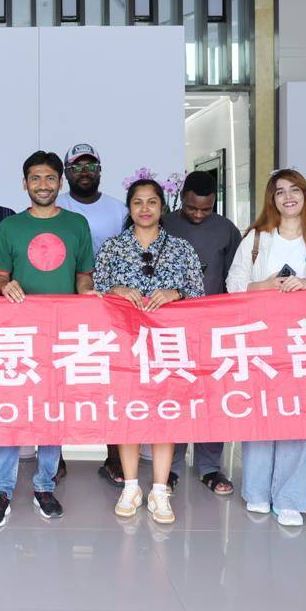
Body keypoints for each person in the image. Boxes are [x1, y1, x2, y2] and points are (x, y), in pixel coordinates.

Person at [0, 150, 95, 528]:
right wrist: (5, 284)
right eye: (35, 178)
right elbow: (0, 275)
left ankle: (44, 485)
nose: (43, 185)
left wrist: (87, 295)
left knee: (52, 412)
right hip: (18, 334)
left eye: (49, 178)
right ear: (24, 183)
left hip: (62, 333)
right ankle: (1, 489)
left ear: (60, 182)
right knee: (11, 411)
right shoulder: (11, 227)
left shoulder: (77, 224)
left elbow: (83, 275)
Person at [225, 169, 306, 528]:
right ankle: (257, 491)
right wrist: (265, 285)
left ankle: (290, 497)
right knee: (260, 412)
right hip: (260, 339)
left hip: (304, 342)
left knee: (298, 416)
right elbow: (234, 283)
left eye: (294, 190)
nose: (288, 197)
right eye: (280, 192)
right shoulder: (257, 238)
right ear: (271, 199)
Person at [94, 179, 204, 524]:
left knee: (164, 413)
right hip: (124, 344)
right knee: (128, 412)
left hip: (168, 345)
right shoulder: (112, 247)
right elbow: (95, 291)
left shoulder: (181, 248)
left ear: (162, 207)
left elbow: (199, 295)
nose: (145, 209)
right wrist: (115, 289)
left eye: (152, 202)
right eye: (138, 202)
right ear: (129, 208)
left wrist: (176, 293)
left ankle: (159, 490)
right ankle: (131, 486)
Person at [54, 142, 129, 486]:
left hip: (110, 309)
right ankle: (55, 457)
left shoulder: (118, 210)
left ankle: (113, 457)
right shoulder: (56, 208)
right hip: (66, 307)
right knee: (59, 382)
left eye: (90, 166)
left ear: (100, 170)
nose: (84, 173)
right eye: (76, 167)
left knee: (113, 382)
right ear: (66, 173)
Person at [162, 170, 240, 496]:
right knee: (175, 396)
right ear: (182, 198)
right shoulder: (164, 224)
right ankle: (171, 467)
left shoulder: (226, 229)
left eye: (205, 209)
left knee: (212, 396)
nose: (197, 214)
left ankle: (210, 467)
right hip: (170, 327)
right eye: (192, 207)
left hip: (213, 327)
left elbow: (237, 278)